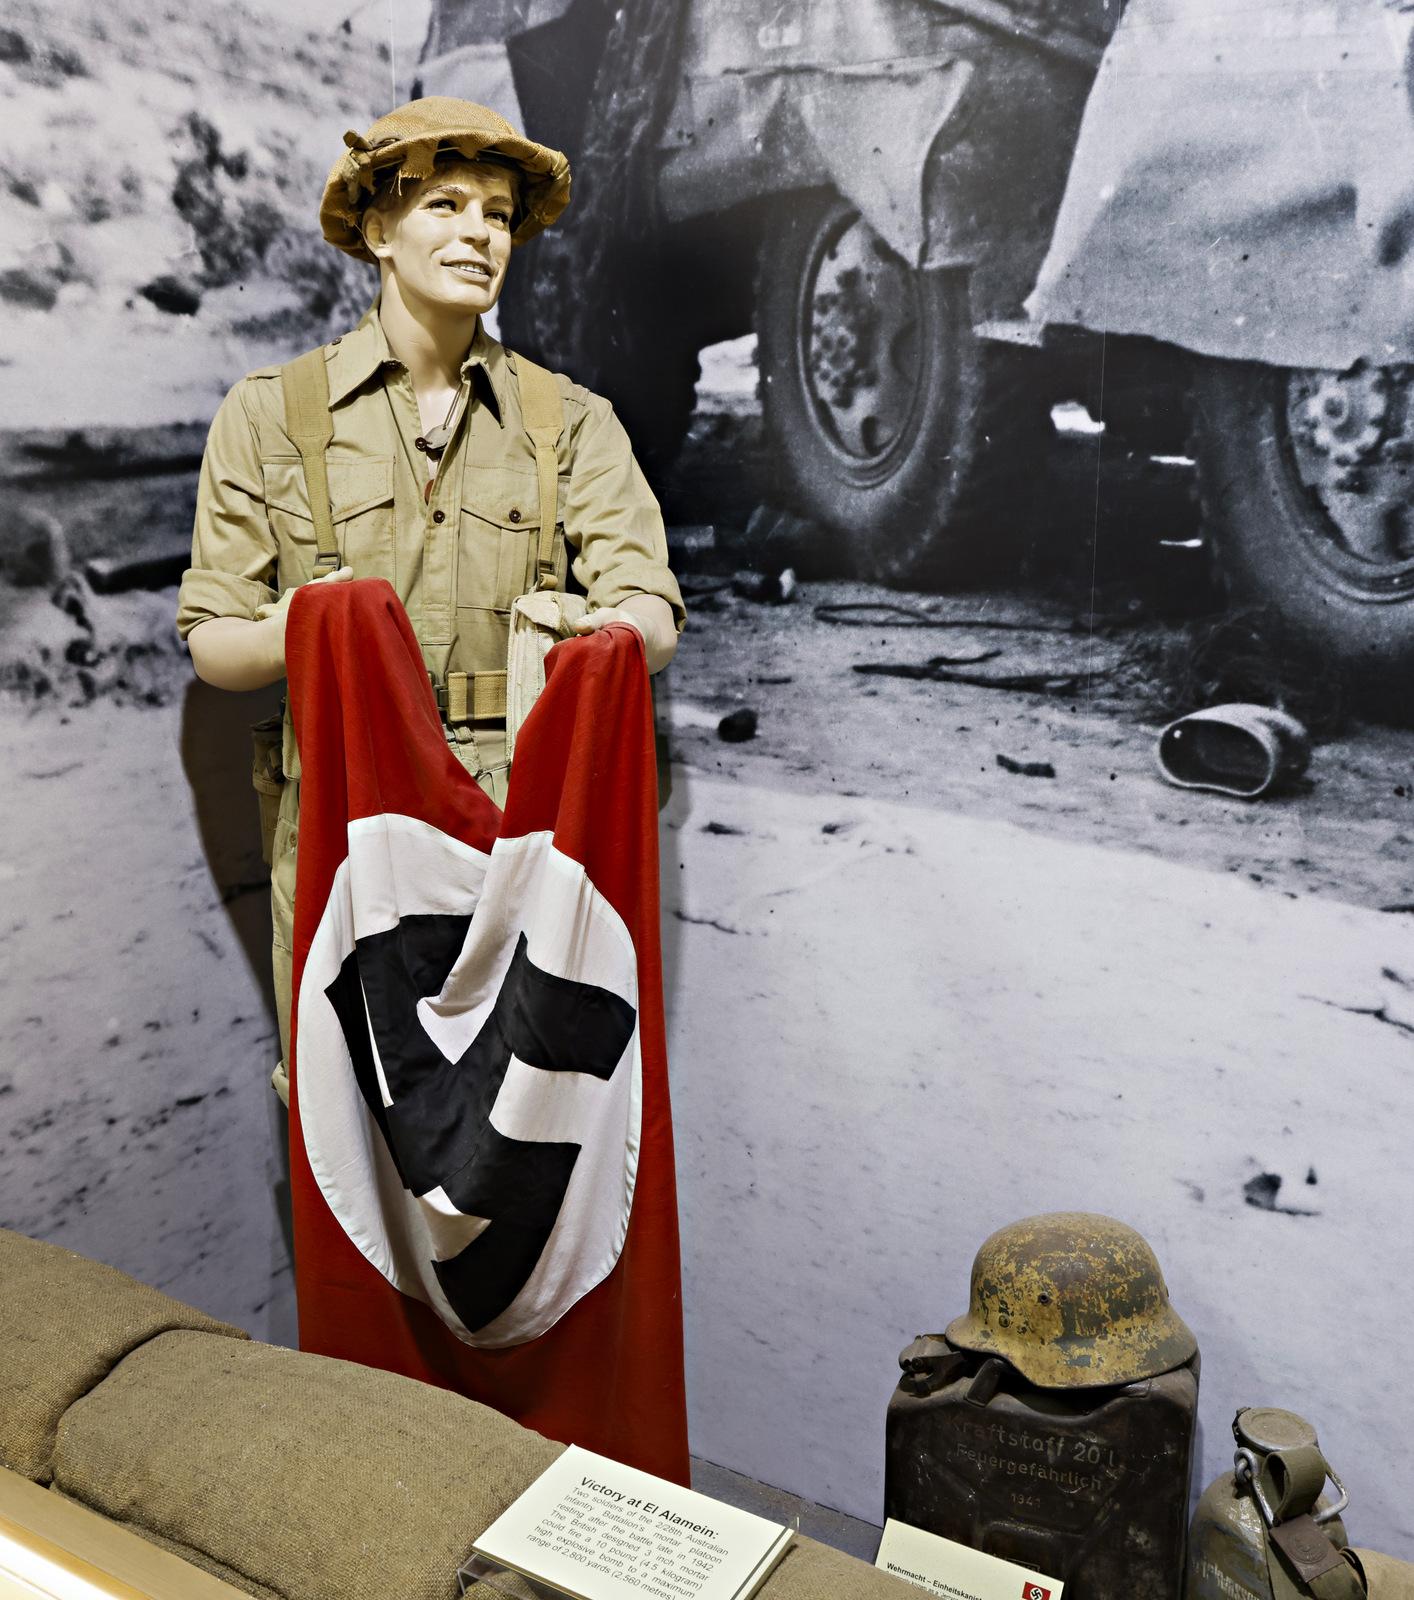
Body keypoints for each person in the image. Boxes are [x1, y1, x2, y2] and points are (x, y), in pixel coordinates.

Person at [175, 98, 685, 1101]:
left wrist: (602, 627)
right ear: (376, 229)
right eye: (444, 203)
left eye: (496, 215)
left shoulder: (569, 422)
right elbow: (215, 640)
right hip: (344, 819)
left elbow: (650, 610)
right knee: (351, 1124)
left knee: (516, 1140)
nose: (479, 234)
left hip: (524, 828)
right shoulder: (273, 414)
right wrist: (319, 624)